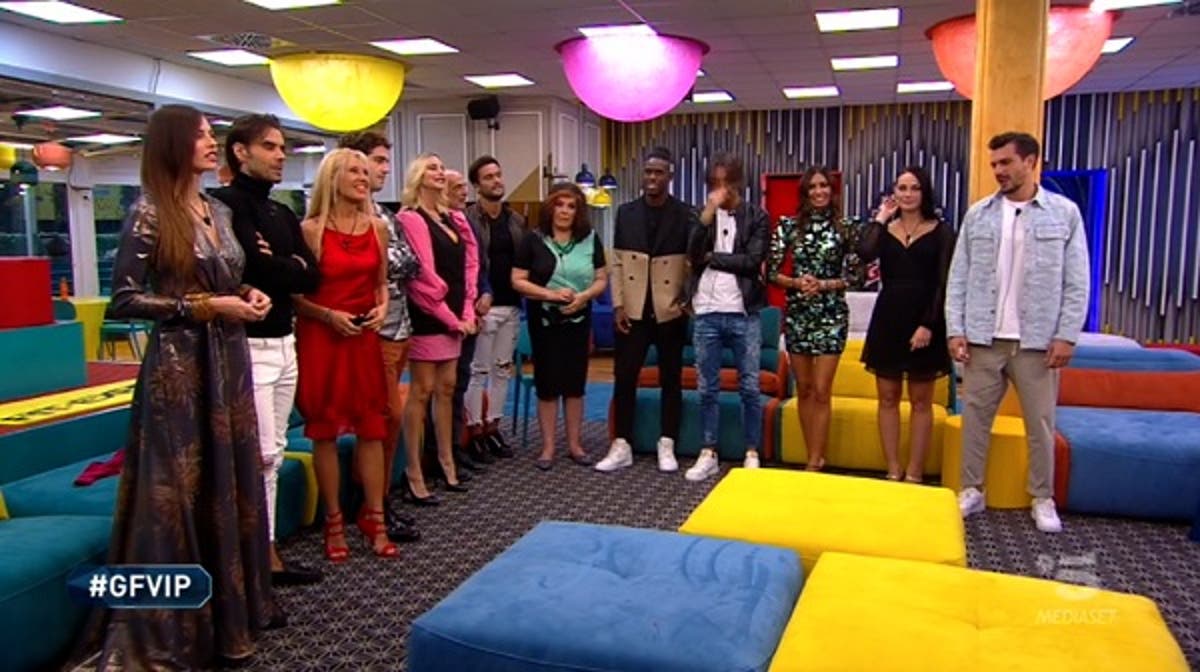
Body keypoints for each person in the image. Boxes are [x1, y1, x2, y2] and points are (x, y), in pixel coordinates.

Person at [84, 104, 280, 670]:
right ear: (173, 144)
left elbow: (224, 277)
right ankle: (178, 625)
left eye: (211, 134)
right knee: (181, 492)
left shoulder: (217, 209)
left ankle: (230, 618)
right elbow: (125, 299)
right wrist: (202, 307)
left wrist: (245, 295)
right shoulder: (148, 212)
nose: (211, 143)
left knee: (229, 480)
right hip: (179, 369)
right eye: (200, 136)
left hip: (227, 360)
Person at [946, 131, 1090, 533]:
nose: (998, 171)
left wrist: (1067, 335)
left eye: (1006, 162)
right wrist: (955, 329)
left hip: (1037, 341)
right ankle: (972, 489)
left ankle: (1042, 497)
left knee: (1040, 423)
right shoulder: (979, 214)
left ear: (1030, 161)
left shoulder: (1063, 213)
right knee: (975, 419)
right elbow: (958, 277)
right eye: (994, 164)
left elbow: (1077, 280)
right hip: (983, 337)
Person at [211, 114, 323, 587]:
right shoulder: (222, 205)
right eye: (271, 147)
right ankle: (253, 556)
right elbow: (249, 271)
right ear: (241, 152)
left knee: (274, 453)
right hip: (246, 344)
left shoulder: (281, 213)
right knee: (257, 455)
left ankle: (268, 549)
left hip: (285, 340)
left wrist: (278, 262)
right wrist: (283, 263)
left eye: (282, 147)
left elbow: (311, 276)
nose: (281, 156)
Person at [293, 148, 398, 561]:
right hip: (322, 338)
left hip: (364, 337)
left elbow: (381, 283)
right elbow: (295, 297)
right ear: (331, 178)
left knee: (372, 427)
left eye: (365, 171)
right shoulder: (310, 230)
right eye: (354, 171)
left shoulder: (378, 228)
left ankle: (376, 518)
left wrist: (383, 308)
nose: (363, 177)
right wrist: (327, 316)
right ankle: (333, 522)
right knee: (325, 430)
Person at [337, 131, 421, 543]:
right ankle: (373, 505)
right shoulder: (345, 218)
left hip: (401, 327)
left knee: (389, 419)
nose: (385, 169)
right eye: (378, 160)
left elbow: (411, 263)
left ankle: (378, 500)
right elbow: (388, 267)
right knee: (383, 418)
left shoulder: (385, 214)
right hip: (373, 331)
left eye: (387, 161)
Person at [596, 146, 696, 473]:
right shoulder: (626, 212)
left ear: (670, 176)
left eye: (659, 172)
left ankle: (667, 442)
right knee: (625, 377)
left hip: (669, 310)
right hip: (633, 309)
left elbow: (694, 263)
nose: (652, 177)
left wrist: (687, 301)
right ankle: (621, 443)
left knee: (671, 379)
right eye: (648, 172)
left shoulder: (686, 214)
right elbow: (617, 262)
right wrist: (618, 304)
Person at [858, 166, 955, 483]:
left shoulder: (942, 231)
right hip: (889, 317)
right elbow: (865, 252)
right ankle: (893, 468)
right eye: (902, 188)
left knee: (921, 401)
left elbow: (944, 283)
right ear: (894, 193)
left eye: (914, 188)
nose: (908, 194)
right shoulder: (885, 229)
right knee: (887, 398)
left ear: (924, 192)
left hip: (925, 318)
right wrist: (880, 218)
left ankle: (915, 471)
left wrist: (928, 324)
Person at [767, 166, 862, 472]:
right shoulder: (788, 226)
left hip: (831, 314)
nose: (819, 191)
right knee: (805, 388)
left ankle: (814, 462)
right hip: (799, 314)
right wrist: (797, 283)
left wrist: (824, 284)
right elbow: (770, 272)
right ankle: (814, 454)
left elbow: (857, 275)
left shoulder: (846, 227)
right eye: (813, 187)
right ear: (805, 193)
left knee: (822, 390)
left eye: (824, 186)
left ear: (832, 191)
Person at [398, 154, 480, 503]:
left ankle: (447, 463)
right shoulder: (411, 218)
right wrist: (451, 318)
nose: (440, 172)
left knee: (447, 388)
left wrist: (467, 310)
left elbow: (470, 265)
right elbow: (423, 277)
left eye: (441, 167)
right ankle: (414, 472)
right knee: (422, 391)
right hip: (429, 315)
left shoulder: (451, 218)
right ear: (418, 176)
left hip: (457, 313)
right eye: (432, 167)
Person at [684, 153, 768, 482]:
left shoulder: (757, 216)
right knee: (707, 388)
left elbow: (752, 261)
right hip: (706, 312)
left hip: (743, 312)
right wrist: (706, 217)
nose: (721, 190)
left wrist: (712, 258)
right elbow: (692, 255)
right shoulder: (700, 216)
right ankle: (708, 451)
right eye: (715, 183)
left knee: (749, 386)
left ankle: (751, 451)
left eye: (727, 182)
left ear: (738, 183)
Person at [511, 182, 608, 470]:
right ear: (550, 208)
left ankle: (575, 445)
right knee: (548, 383)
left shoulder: (590, 239)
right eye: (559, 205)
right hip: (545, 321)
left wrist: (584, 297)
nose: (565, 211)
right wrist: (550, 295)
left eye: (571, 206)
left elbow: (601, 279)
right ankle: (548, 448)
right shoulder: (533, 239)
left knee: (575, 384)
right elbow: (517, 280)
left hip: (579, 319)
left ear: (578, 211)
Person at [463, 155, 527, 460]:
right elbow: (468, 264)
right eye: (488, 177)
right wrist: (477, 295)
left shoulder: (515, 220)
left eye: (498, 175)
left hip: (511, 305)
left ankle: (493, 427)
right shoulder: (467, 219)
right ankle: (474, 430)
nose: (496, 181)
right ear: (477, 185)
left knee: (502, 370)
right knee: (478, 370)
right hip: (482, 306)